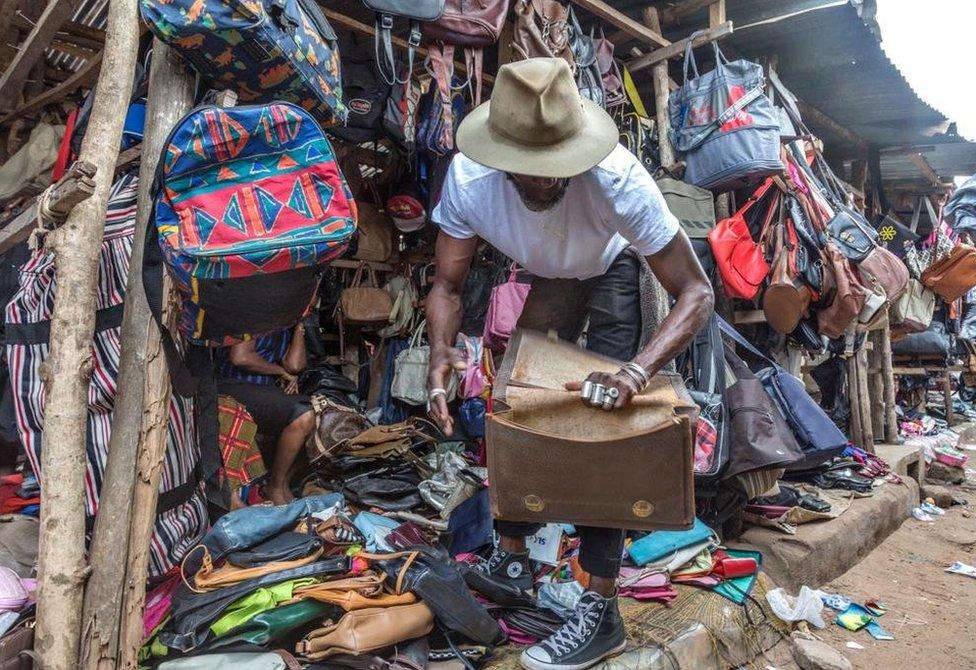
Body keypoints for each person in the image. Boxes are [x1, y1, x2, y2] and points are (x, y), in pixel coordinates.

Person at [425, 58, 714, 670]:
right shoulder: (469, 179)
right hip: (548, 277)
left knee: (603, 427)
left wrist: (635, 374)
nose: (543, 183)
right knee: (515, 401)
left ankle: (600, 608)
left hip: (611, 268)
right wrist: (438, 362)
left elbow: (697, 293)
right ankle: (511, 556)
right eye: (528, 171)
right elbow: (447, 286)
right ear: (499, 156)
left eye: (555, 169)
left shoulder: (618, 181)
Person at [216, 321, 315, 506]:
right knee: (304, 413)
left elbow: (294, 365)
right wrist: (279, 372)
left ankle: (281, 484)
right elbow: (240, 357)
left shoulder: (286, 322)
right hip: (231, 384)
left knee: (318, 413)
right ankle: (275, 487)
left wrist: (300, 326)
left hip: (262, 391)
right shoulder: (256, 310)